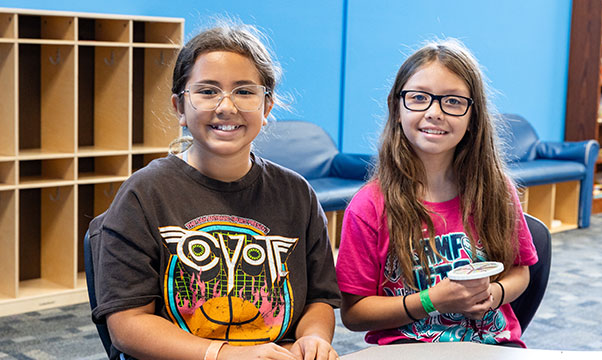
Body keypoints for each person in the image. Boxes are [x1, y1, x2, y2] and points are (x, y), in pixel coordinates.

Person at [88, 19, 341, 360]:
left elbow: (319, 299)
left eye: (245, 91)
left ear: (266, 107)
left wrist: (313, 338)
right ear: (179, 107)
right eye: (207, 91)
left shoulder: (297, 194)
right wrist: (225, 355)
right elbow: (128, 325)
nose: (226, 106)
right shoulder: (144, 195)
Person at [335, 39, 538, 348]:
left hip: (493, 346)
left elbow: (520, 270)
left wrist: (493, 295)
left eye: (453, 101)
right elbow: (354, 314)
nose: (434, 112)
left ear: (473, 115)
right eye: (418, 98)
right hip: (407, 349)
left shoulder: (498, 191)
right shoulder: (369, 206)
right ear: (397, 106)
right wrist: (431, 301)